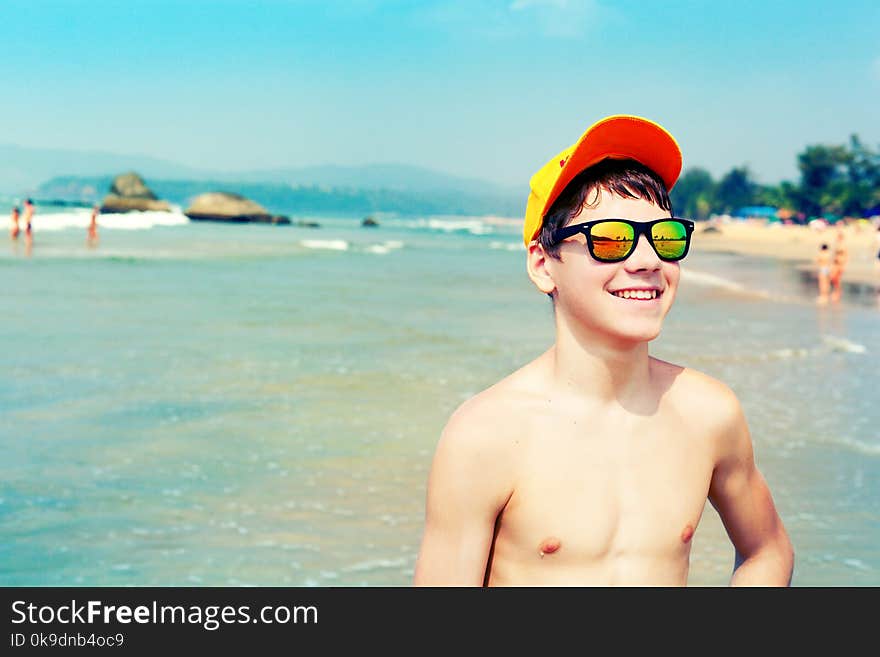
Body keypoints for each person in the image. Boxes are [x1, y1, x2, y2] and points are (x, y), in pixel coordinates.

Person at [413, 115, 794, 586]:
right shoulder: (487, 435)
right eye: (611, 239)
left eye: (665, 237)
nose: (647, 260)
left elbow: (766, 550)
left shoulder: (708, 413)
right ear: (542, 265)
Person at [829, 227, 848, 302]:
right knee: (833, 277)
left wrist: (844, 265)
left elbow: (846, 255)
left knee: (837, 278)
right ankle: (836, 291)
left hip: (840, 263)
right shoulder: (836, 244)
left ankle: (837, 292)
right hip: (835, 263)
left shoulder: (843, 245)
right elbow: (833, 254)